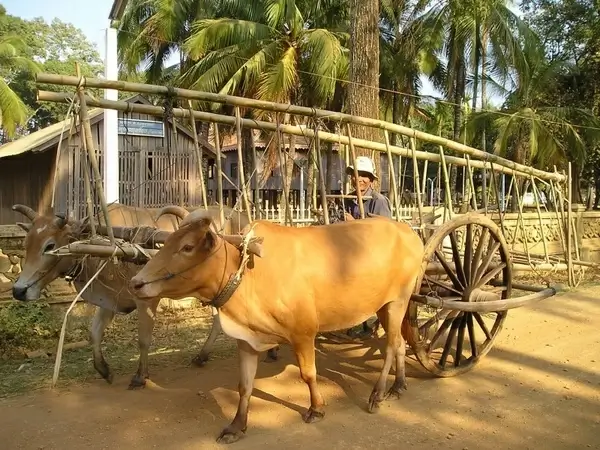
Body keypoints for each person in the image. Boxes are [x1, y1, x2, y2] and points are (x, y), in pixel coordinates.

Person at [342, 156, 392, 339]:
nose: (360, 179)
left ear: (371, 180)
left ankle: (368, 321)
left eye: (365, 175)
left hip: (375, 255)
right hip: (350, 253)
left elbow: (386, 233)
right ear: (352, 178)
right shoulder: (346, 199)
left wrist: (354, 223)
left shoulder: (379, 201)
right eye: (357, 175)